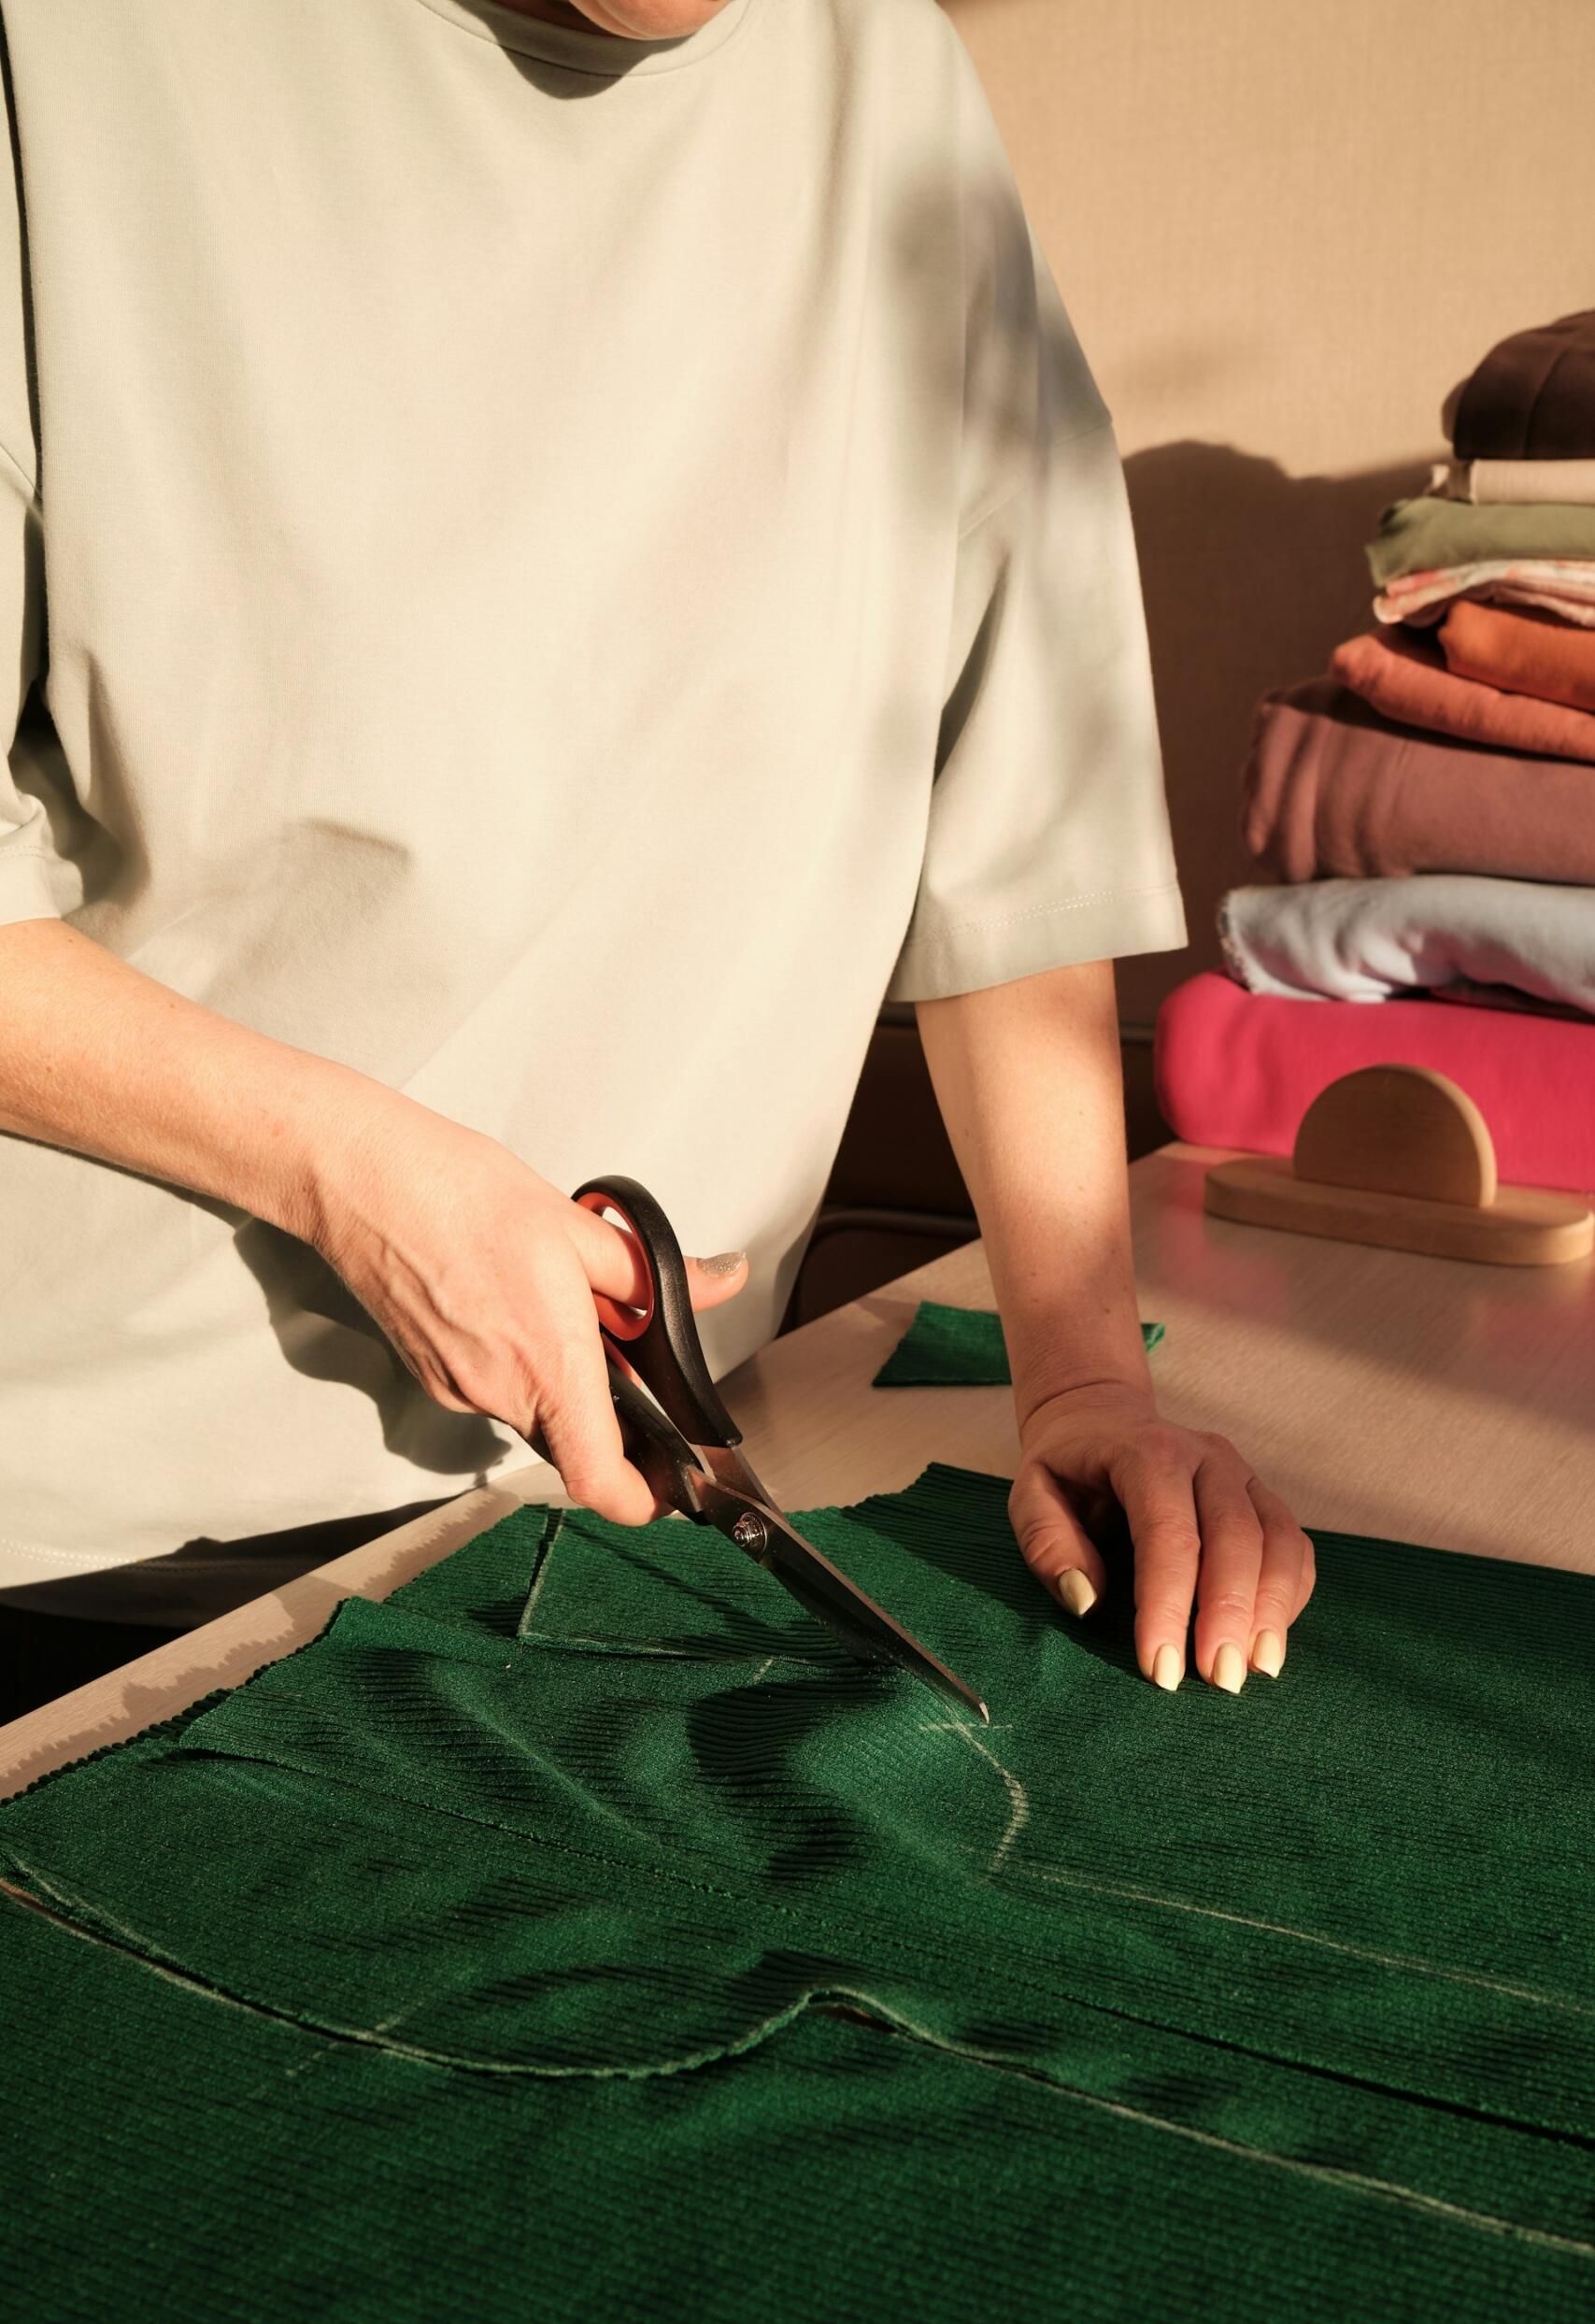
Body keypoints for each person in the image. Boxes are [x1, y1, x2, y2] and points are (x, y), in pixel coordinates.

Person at [0, 0, 1313, 1724]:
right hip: (89, 1558)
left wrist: (1084, 1386)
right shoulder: (72, 59)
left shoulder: (886, 81)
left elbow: (1006, 823)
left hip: (605, 1529)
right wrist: (349, 1171)